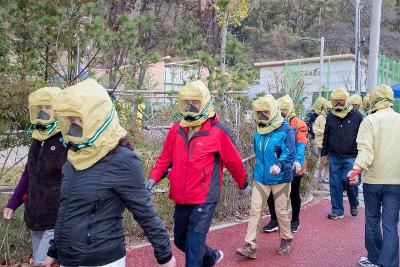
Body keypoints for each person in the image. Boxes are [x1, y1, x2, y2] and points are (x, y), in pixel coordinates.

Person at [43, 79, 175, 267]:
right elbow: (67, 209)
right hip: (69, 257)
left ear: (96, 117)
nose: (73, 126)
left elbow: (144, 211)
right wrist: (54, 250)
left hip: (101, 259)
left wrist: (165, 256)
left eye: (78, 119)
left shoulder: (122, 160)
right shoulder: (75, 155)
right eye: (70, 120)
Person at [146, 80, 250, 267]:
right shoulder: (176, 129)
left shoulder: (218, 131)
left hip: (205, 196)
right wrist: (153, 178)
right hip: (181, 196)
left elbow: (234, 161)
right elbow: (165, 159)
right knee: (180, 240)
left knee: (193, 248)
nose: (190, 105)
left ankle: (203, 259)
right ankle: (210, 257)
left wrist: (243, 184)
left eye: (195, 101)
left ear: (205, 102)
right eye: (187, 102)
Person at [3, 87, 67, 265]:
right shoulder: (38, 138)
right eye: (39, 107)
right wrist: (13, 203)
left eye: (47, 106)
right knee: (39, 260)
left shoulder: (67, 140)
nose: (43, 111)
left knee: (44, 262)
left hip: (56, 217)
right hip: (35, 214)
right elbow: (29, 173)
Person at [236, 94, 295, 258]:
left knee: (281, 211)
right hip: (261, 177)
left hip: (281, 178)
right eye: (259, 112)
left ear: (274, 111)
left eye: (265, 112)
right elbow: (258, 152)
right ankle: (250, 245)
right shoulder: (259, 128)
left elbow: (290, 153)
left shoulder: (286, 129)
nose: (262, 116)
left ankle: (286, 239)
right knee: (255, 210)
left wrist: (279, 165)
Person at [347, 85, 400, 267]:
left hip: (374, 180)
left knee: (372, 219)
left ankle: (374, 259)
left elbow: (366, 152)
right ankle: (390, 263)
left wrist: (356, 169)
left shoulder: (370, 120)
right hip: (396, 181)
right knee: (391, 225)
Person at [262, 95, 307, 233]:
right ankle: (274, 219)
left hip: (293, 163)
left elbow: (301, 144)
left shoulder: (299, 124)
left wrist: (298, 161)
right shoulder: (272, 122)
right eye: (280, 109)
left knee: (294, 192)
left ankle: (295, 220)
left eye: (285, 110)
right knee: (271, 192)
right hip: (275, 162)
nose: (282, 112)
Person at [321, 88, 363, 219]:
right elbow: (326, 136)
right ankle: (337, 210)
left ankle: (354, 203)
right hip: (334, 156)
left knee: (350, 181)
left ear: (346, 100)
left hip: (351, 156)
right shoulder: (330, 116)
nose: (338, 103)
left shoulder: (357, 116)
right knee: (334, 183)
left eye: (341, 100)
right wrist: (324, 153)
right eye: (336, 101)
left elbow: (362, 136)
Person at [313, 99, 331, 183]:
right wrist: (323, 131)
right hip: (321, 143)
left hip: (330, 143)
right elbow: (315, 128)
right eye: (327, 108)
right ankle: (319, 176)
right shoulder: (320, 117)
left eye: (330, 109)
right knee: (322, 160)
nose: (329, 110)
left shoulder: (333, 117)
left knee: (328, 162)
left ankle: (325, 177)